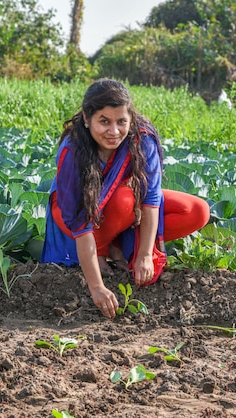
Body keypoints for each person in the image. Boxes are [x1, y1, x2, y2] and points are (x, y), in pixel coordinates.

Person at [41, 78, 210, 318]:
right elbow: (79, 222)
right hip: (76, 214)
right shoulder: (73, 151)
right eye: (104, 122)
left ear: (131, 118)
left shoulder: (142, 139)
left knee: (196, 210)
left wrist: (144, 256)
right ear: (87, 119)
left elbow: (151, 200)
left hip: (128, 208)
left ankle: (119, 245)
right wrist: (97, 287)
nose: (114, 131)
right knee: (123, 201)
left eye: (121, 122)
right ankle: (101, 250)